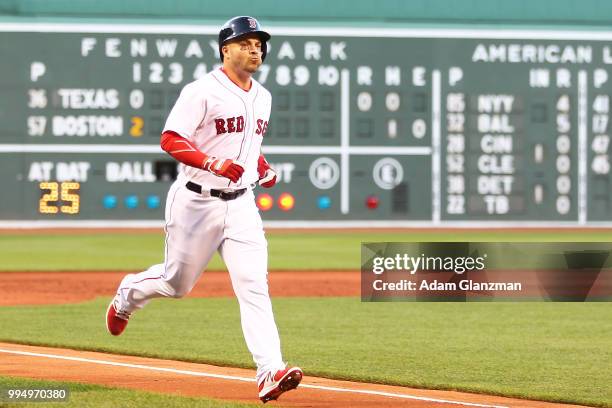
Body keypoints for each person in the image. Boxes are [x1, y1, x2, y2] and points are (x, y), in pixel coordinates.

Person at [105, 16, 303, 403]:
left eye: (259, 43)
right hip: (196, 201)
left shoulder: (263, 96)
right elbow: (170, 139)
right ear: (225, 49)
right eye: (246, 42)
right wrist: (211, 163)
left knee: (253, 286)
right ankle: (127, 295)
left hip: (242, 203)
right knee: (176, 284)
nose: (255, 49)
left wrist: (262, 168)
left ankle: (269, 371)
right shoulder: (201, 91)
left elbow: (246, 147)